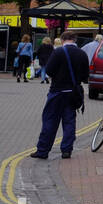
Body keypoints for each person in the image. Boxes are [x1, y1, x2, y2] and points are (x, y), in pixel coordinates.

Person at [33, 31, 90, 159]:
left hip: (57, 91)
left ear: (63, 39)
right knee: (69, 121)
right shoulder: (82, 54)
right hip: (73, 93)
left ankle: (42, 151)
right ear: (75, 39)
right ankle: (66, 150)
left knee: (50, 121)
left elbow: (49, 70)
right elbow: (86, 76)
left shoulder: (58, 52)